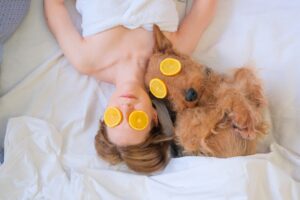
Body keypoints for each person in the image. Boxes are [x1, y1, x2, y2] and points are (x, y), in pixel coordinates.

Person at [44, 0, 216, 173]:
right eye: (137, 120)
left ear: (105, 115)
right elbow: (203, 9)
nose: (126, 108)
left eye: (115, 118)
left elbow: (54, 6)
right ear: (154, 117)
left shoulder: (85, 60)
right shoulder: (172, 62)